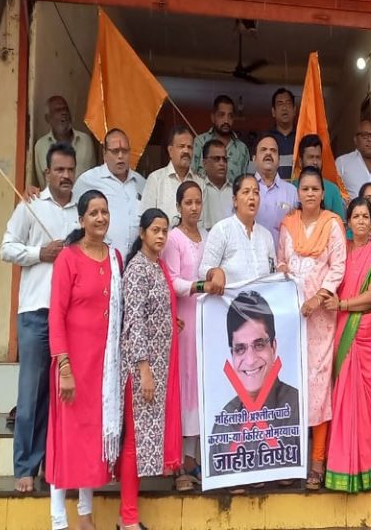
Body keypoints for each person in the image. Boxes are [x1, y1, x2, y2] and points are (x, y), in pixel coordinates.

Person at [1, 143, 80, 493]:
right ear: (46, 173)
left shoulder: (81, 211)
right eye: (59, 170)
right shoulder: (30, 206)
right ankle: (25, 467)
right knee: (32, 392)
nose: (65, 176)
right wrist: (39, 253)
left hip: (72, 316)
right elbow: (6, 247)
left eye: (70, 170)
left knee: (65, 394)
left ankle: (55, 462)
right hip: (37, 311)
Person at [46, 190, 122, 530]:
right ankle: (58, 519)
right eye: (94, 212)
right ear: (81, 220)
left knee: (94, 440)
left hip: (103, 368)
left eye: (104, 212)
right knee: (67, 440)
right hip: (73, 364)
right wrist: (64, 367)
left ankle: (85, 515)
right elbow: (56, 315)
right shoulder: (68, 259)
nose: (101, 218)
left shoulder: (115, 258)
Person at [277, 166, 347, 490]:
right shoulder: (288, 224)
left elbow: (338, 267)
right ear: (298, 192)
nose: (309, 193)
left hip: (320, 320)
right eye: (304, 188)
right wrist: (284, 277)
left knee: (318, 388)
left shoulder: (332, 225)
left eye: (314, 189)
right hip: (291, 318)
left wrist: (318, 298)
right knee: (290, 385)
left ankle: (317, 462)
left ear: (322, 193)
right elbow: (280, 260)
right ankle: (290, 459)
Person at [116, 208, 181, 529]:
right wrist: (143, 369)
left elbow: (154, 311)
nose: (161, 236)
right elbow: (134, 323)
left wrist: (171, 321)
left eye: (165, 230)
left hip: (159, 366)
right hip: (142, 368)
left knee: (142, 442)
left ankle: (126, 516)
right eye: (155, 230)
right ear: (142, 233)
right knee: (134, 442)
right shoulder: (138, 269)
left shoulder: (157, 266)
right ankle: (128, 519)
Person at [321, 197, 371, 492]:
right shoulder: (340, 252)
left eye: (365, 217)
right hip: (341, 330)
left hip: (367, 333)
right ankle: (340, 468)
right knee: (341, 400)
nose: (360, 221)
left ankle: (369, 471)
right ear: (348, 223)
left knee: (367, 406)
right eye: (356, 216)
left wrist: (342, 304)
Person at [207, 290, 302, 472]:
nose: (250, 360)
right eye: (240, 349)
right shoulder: (223, 423)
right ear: (232, 355)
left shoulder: (297, 406)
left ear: (273, 347)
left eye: (259, 345)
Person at [162, 182, 212, 492]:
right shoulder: (173, 238)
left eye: (198, 202)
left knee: (199, 389)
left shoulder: (207, 236)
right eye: (188, 203)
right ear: (179, 206)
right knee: (183, 387)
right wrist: (201, 286)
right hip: (183, 321)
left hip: (205, 323)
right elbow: (173, 280)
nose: (194, 208)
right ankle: (177, 461)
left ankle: (193, 459)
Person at [199, 174, 282, 293]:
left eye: (256, 193)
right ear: (235, 201)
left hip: (262, 301)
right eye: (246, 192)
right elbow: (203, 270)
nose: (252, 197)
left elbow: (272, 272)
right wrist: (214, 272)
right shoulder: (222, 230)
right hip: (231, 303)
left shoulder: (266, 236)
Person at [73, 128, 146, 256]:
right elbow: (70, 213)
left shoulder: (141, 183)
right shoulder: (88, 180)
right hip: (101, 258)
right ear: (104, 153)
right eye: (115, 151)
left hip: (136, 261)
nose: (120, 156)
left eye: (125, 151)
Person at [30, 96, 97, 188]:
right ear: (48, 118)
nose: (64, 113)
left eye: (66, 109)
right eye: (58, 110)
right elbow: (42, 184)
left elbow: (94, 177)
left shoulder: (85, 141)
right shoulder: (40, 146)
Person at [141, 125, 203, 223]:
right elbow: (146, 220)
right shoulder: (156, 179)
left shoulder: (200, 182)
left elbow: (204, 221)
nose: (186, 151)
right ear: (170, 150)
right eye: (181, 146)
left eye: (189, 147)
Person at [192, 95, 250, 183]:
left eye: (230, 116)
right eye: (221, 115)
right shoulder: (200, 142)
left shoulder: (242, 149)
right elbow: (190, 175)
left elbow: (245, 183)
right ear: (213, 117)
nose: (226, 121)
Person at [254, 135, 298, 243]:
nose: (268, 153)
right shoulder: (243, 190)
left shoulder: (292, 192)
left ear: (279, 161)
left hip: (282, 253)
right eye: (263, 150)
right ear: (254, 159)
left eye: (273, 150)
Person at [292, 134, 345, 219]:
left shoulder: (333, 189)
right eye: (310, 157)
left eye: (318, 157)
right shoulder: (292, 188)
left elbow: (340, 222)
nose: (315, 162)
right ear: (300, 161)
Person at [201, 138, 234, 230]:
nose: (222, 163)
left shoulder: (235, 192)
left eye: (225, 159)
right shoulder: (200, 190)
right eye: (216, 159)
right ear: (205, 163)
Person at [270, 88, 297, 179]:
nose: (284, 108)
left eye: (288, 103)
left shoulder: (302, 137)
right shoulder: (266, 139)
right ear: (273, 112)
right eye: (280, 104)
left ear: (294, 110)